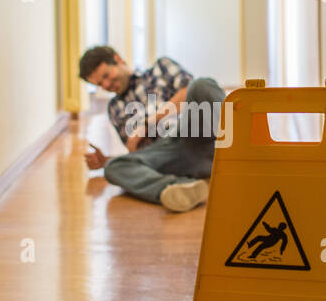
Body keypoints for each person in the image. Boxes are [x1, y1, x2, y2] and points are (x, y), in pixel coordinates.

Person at [79, 45, 226, 212]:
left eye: (106, 75)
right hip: (169, 154)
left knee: (201, 85)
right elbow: (139, 153)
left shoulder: (160, 68)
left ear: (118, 60)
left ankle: (241, 148)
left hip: (195, 131)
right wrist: (106, 161)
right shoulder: (114, 108)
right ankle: (181, 189)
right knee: (113, 167)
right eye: (100, 83)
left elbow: (187, 93)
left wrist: (148, 123)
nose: (106, 84)